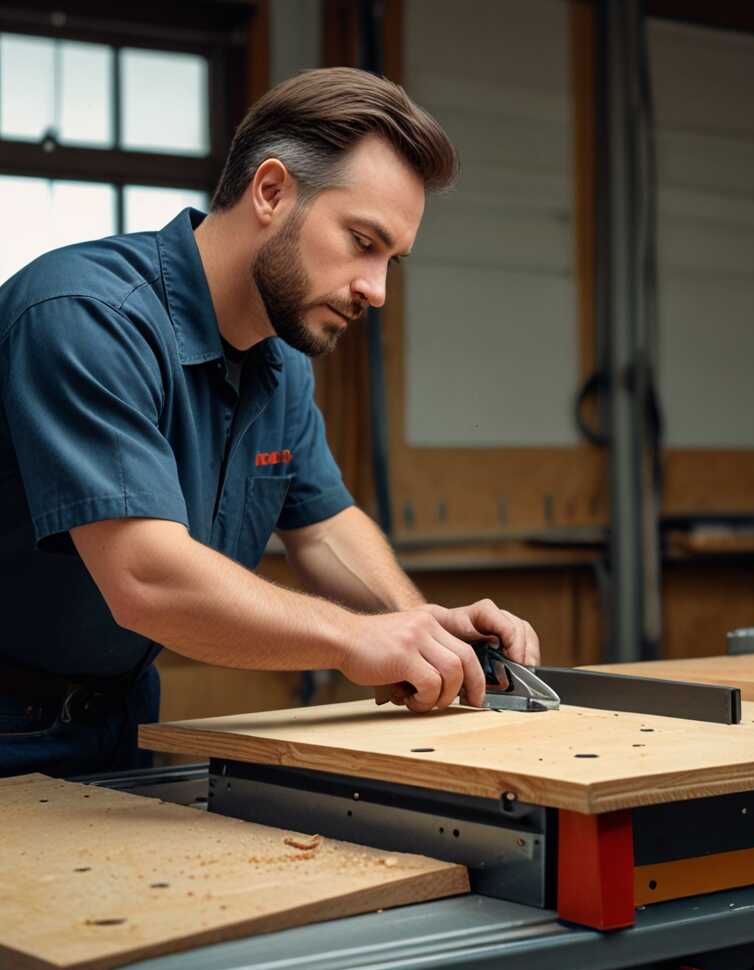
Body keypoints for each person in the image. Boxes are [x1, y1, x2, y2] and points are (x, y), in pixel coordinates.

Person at [0, 67, 540, 778]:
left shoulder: (278, 364)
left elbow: (322, 527)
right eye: (362, 241)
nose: (376, 292)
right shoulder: (86, 317)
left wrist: (423, 627)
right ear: (272, 191)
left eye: (392, 262)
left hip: (120, 714)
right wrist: (353, 639)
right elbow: (144, 578)